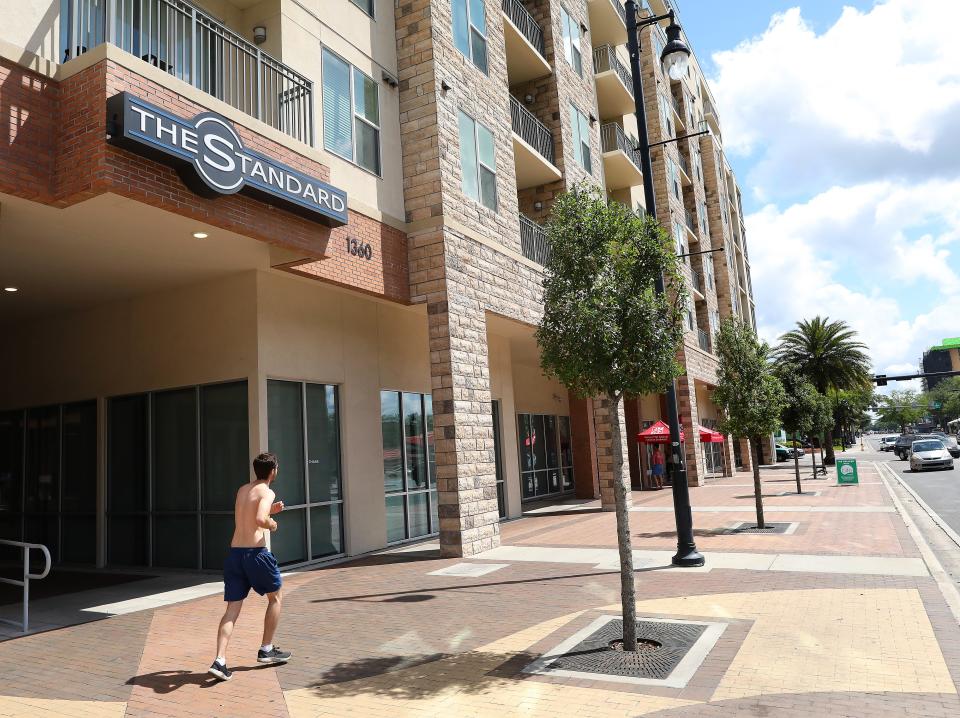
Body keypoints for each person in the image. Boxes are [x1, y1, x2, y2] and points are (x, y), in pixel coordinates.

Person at [209, 452, 291, 681]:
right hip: (255, 555)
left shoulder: (243, 489)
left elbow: (248, 514)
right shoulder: (267, 490)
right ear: (273, 470)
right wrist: (272, 522)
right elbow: (259, 519)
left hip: (235, 555)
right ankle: (266, 649)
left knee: (232, 609)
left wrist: (269, 511)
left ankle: (220, 661)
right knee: (275, 598)